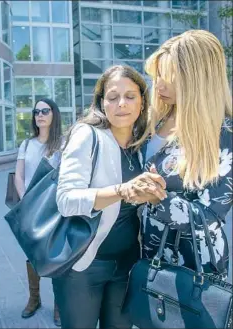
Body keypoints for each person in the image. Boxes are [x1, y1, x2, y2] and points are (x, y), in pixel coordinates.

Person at [54, 65, 167, 328]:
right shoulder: (87, 134)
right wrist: (121, 190)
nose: (121, 104)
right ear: (102, 103)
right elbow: (67, 200)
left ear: (142, 102)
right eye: (113, 97)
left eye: (130, 96)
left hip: (128, 263)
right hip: (83, 264)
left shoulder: (143, 143)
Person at [136, 30, 232, 277]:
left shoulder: (224, 133)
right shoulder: (157, 118)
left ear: (198, 79)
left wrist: (158, 198)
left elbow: (210, 216)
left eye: (168, 76)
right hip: (151, 256)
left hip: (194, 267)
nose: (158, 85)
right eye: (157, 76)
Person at [14, 98, 63, 326]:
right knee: (32, 254)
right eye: (36, 112)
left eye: (45, 111)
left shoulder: (63, 144)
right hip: (31, 206)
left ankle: (59, 305)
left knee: (56, 256)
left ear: (54, 114)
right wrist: (26, 200)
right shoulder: (26, 144)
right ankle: (34, 299)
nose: (40, 115)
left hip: (55, 207)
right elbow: (19, 176)